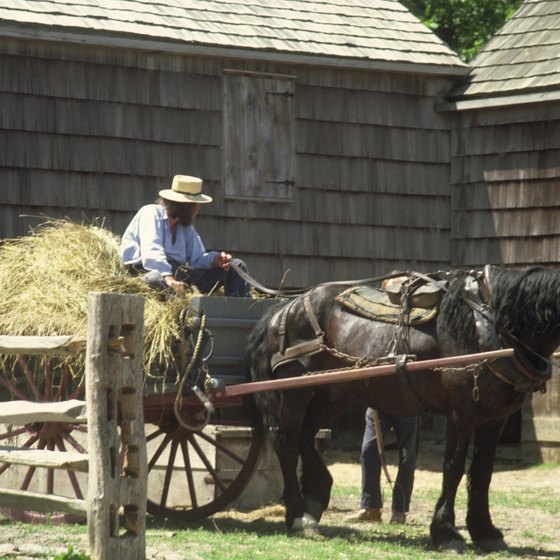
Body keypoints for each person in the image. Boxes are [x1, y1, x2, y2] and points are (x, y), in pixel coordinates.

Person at [120, 174, 251, 297]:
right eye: (195, 204)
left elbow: (197, 258)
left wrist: (215, 260)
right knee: (154, 279)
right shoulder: (151, 213)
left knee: (236, 266)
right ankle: (179, 306)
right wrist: (168, 278)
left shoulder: (185, 226)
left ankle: (240, 316)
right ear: (183, 205)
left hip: (177, 274)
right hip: (144, 271)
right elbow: (152, 251)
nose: (198, 207)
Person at [347, 408, 421, 524]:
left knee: (407, 456)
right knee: (369, 450)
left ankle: (399, 511)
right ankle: (371, 508)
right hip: (379, 404)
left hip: (408, 405)